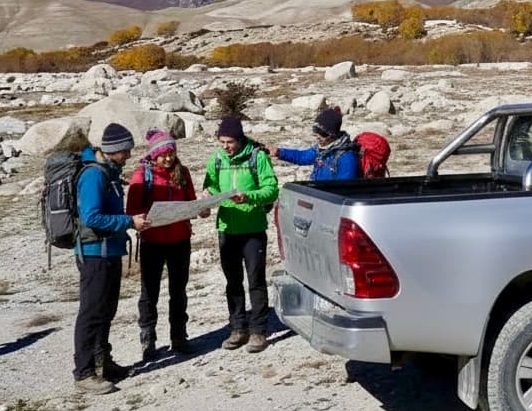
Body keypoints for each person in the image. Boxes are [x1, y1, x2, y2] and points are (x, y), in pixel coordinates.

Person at [74, 123, 150, 395]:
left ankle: (103, 362)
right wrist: (129, 221)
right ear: (114, 150)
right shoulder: (94, 176)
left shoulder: (109, 172)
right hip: (95, 254)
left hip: (109, 252)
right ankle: (83, 372)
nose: (129, 154)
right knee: (91, 313)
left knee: (106, 311)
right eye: (126, 150)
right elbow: (91, 217)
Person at [125, 129, 206, 361]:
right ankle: (148, 338)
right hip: (153, 242)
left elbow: (191, 202)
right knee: (149, 293)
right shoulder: (142, 176)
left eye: (171, 153)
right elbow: (132, 210)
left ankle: (179, 336)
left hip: (180, 240)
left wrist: (200, 208)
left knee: (178, 291)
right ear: (153, 155)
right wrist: (145, 217)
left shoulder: (183, 173)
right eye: (163, 155)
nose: (168, 158)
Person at [203, 116, 278, 353]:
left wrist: (249, 197)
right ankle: (237, 329)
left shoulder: (258, 157)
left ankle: (258, 331)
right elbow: (211, 185)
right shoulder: (216, 159)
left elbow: (272, 189)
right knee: (232, 281)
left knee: (255, 281)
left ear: (240, 139)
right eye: (222, 141)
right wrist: (209, 194)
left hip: (253, 228)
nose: (225, 146)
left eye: (230, 142)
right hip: (227, 228)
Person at [270, 106, 360, 180]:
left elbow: (344, 189)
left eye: (322, 133)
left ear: (332, 135)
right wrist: (280, 152)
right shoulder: (321, 149)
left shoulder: (347, 158)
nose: (317, 135)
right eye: (316, 130)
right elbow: (303, 157)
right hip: (318, 196)